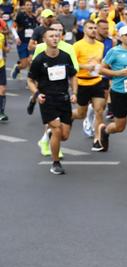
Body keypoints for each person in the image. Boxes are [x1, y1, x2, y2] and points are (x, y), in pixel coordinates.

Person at [28, 27, 77, 175]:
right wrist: (37, 94)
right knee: (56, 129)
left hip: (64, 98)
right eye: (51, 36)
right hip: (47, 99)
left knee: (64, 136)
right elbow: (30, 80)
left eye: (57, 36)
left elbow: (73, 76)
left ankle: (50, 135)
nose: (55, 38)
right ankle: (55, 163)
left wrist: (74, 93)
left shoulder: (65, 56)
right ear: (45, 40)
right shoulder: (39, 60)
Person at [98, 25, 127, 169]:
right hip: (118, 93)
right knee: (120, 126)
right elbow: (101, 69)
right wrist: (117, 74)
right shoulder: (114, 51)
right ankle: (105, 131)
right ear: (121, 37)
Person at [72, 20, 107, 151]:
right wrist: (86, 66)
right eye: (90, 28)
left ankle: (97, 140)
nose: (93, 30)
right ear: (84, 30)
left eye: (94, 28)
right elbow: (72, 64)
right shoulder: (77, 46)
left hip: (97, 81)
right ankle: (68, 116)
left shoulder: (100, 45)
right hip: (81, 82)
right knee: (81, 114)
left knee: (99, 110)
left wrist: (101, 66)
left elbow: (100, 62)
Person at [13, 1, 38, 80]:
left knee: (31, 61)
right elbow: (13, 27)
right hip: (22, 42)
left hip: (30, 43)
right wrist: (16, 37)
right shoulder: (20, 15)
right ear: (24, 6)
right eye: (27, 5)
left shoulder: (34, 18)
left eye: (31, 5)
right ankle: (18, 67)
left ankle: (29, 80)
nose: (29, 6)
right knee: (24, 64)